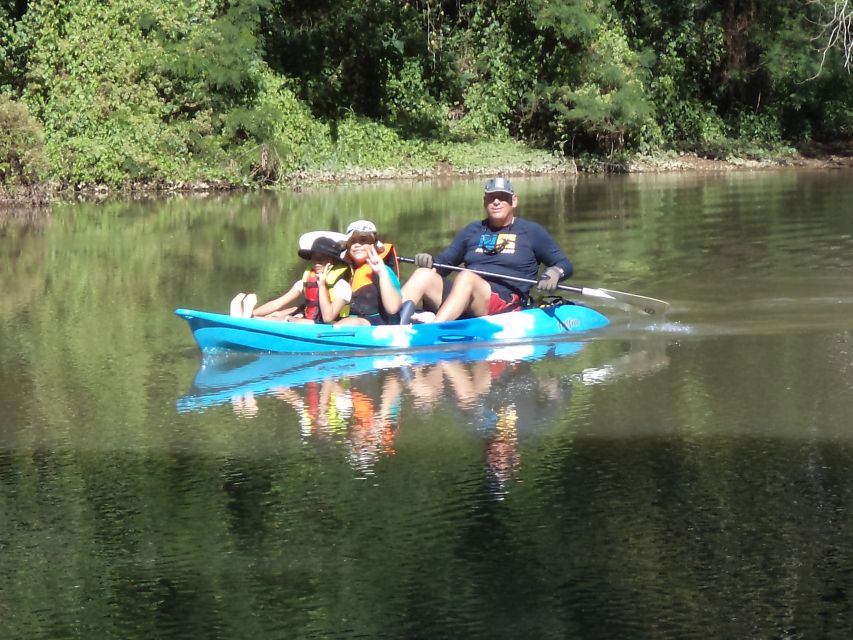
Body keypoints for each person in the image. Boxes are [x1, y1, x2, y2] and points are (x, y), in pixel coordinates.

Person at [400, 177, 573, 323]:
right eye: (491, 198)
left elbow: (563, 263)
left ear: (514, 201)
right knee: (424, 274)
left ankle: (433, 331)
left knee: (467, 277)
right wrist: (429, 262)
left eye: (502, 197)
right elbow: (444, 264)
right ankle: (391, 323)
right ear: (484, 202)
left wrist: (555, 273)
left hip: (504, 302)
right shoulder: (472, 230)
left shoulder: (531, 232)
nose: (496, 201)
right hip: (465, 295)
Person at [230, 233, 352, 323]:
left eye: (323, 257)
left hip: (328, 327)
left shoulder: (342, 286)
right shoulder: (304, 281)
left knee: (287, 319)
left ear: (333, 261)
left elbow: (328, 318)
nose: (317, 261)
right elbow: (279, 302)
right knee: (275, 315)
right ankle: (247, 317)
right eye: (314, 257)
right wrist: (253, 312)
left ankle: (250, 320)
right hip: (308, 322)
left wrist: (322, 285)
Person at [334, 220, 403, 325]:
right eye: (352, 241)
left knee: (347, 324)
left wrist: (381, 272)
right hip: (349, 319)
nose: (357, 245)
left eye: (363, 240)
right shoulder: (344, 272)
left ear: (374, 245)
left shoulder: (384, 270)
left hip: (378, 323)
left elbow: (393, 308)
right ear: (347, 247)